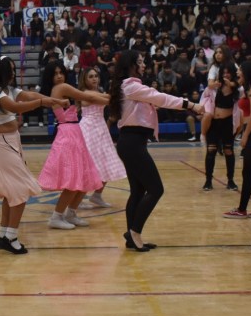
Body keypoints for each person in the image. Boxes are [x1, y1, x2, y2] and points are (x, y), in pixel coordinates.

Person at [109, 50, 204, 252]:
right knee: (156, 189)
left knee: (138, 191)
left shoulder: (130, 86)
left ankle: (131, 237)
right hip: (132, 143)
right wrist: (191, 105)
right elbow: (161, 98)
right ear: (131, 65)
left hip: (132, 142)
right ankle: (135, 231)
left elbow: (150, 102)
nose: (144, 65)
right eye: (140, 62)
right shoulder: (131, 86)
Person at [0, 57, 66, 254]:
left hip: (10, 141)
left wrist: (54, 101)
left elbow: (29, 94)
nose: (12, 73)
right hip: (1, 144)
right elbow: (14, 107)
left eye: (13, 69)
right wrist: (41, 102)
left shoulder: (6, 89)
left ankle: (3, 235)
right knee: (21, 189)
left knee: (11, 192)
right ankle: (11, 237)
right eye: (9, 69)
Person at [37, 62, 108, 229]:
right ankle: (56, 217)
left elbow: (90, 97)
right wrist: (114, 97)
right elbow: (89, 97)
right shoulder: (61, 88)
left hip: (75, 133)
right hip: (68, 135)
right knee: (73, 180)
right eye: (55, 74)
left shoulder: (61, 89)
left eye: (61, 72)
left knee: (84, 177)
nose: (59, 76)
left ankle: (71, 213)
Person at [224, 60, 251, 219]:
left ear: (248, 72)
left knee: (248, 171)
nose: (237, 72)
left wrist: (245, 136)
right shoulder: (249, 88)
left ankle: (242, 209)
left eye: (240, 70)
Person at [75, 66, 127, 208]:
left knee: (107, 161)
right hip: (88, 130)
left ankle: (97, 195)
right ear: (85, 79)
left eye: (96, 76)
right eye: (90, 76)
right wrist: (112, 96)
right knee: (88, 164)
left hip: (101, 129)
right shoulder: (84, 93)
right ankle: (77, 200)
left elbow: (107, 99)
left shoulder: (99, 92)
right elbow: (106, 100)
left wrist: (110, 96)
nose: (94, 79)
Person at [202, 62, 238, 191]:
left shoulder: (237, 89)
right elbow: (203, 100)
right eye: (224, 72)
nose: (226, 75)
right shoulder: (214, 87)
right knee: (211, 150)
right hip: (214, 123)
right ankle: (208, 181)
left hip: (228, 123)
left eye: (228, 72)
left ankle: (230, 180)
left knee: (228, 151)